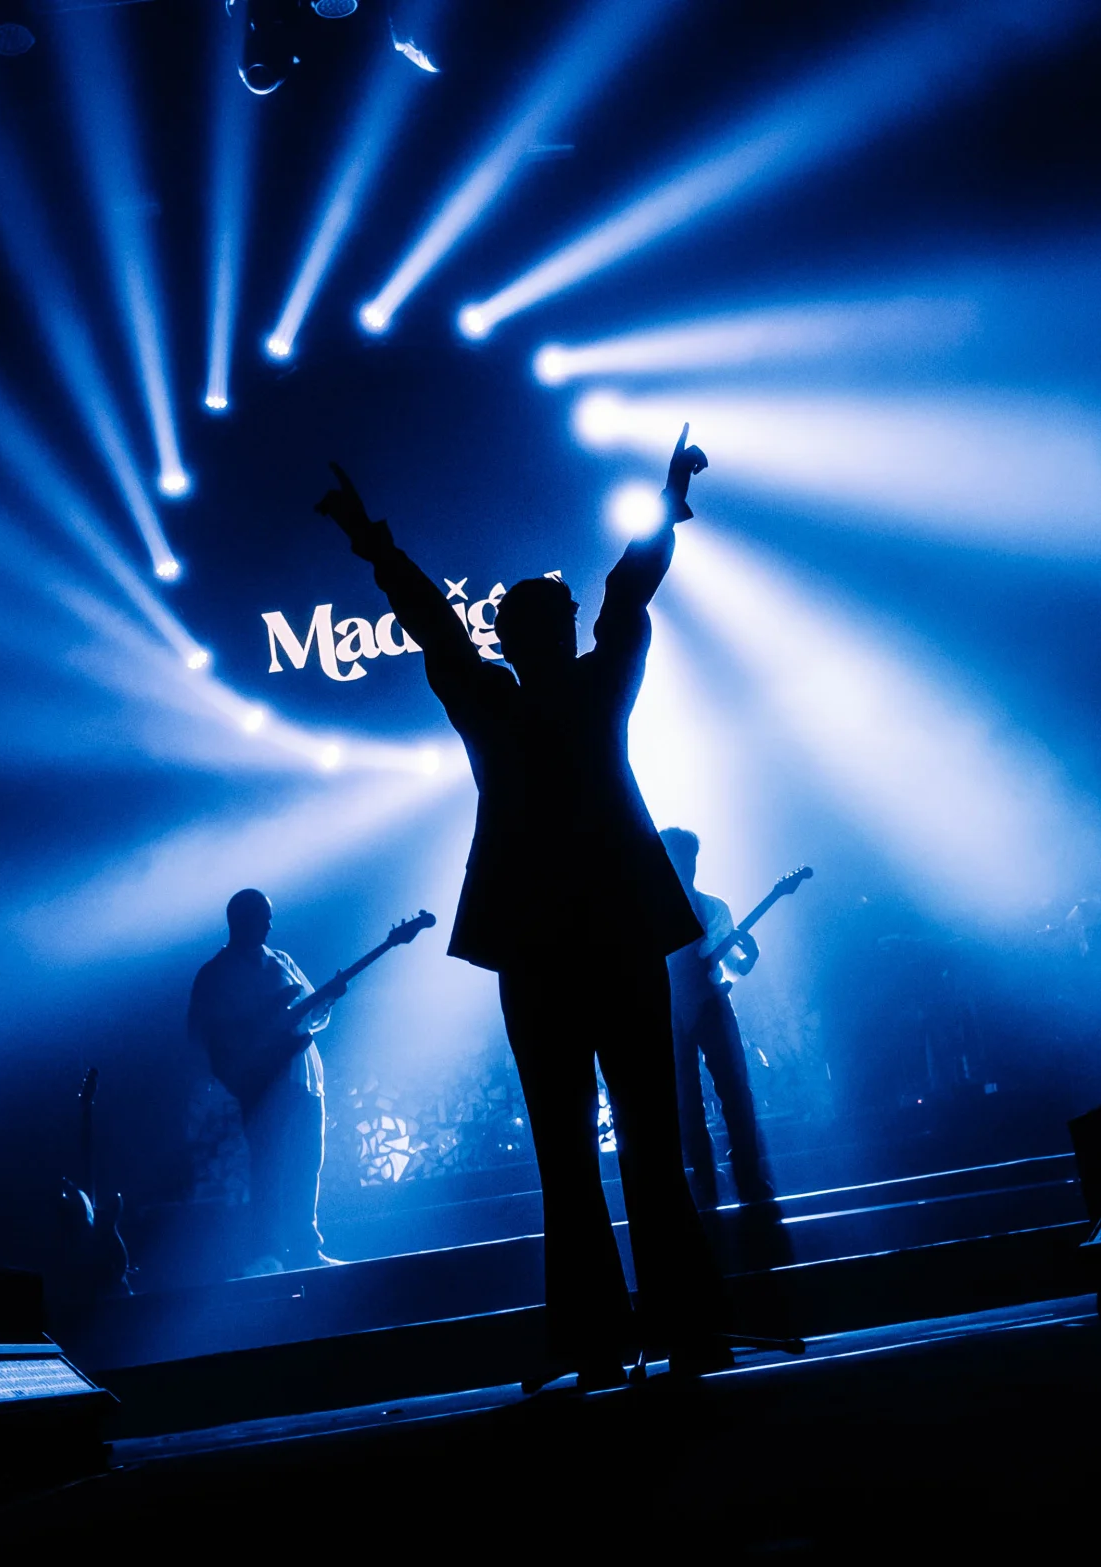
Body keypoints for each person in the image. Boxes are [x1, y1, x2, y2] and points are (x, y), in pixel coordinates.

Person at [314, 433, 728, 1385]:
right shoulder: (594, 688)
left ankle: (597, 1340)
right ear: (560, 630)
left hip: (537, 947)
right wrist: (668, 502)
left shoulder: (493, 705)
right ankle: (685, 1324)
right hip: (619, 931)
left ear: (506, 640)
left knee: (565, 1151)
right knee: (650, 1139)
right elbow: (626, 595)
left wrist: (373, 545)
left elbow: (436, 626)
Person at [186, 888, 336, 1275]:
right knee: (269, 1169)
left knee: (307, 1164)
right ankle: (267, 1256)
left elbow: (310, 1014)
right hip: (263, 1086)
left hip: (304, 1077)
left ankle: (306, 1249)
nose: (270, 924)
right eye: (262, 917)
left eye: (269, 917)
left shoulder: (282, 961)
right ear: (240, 919)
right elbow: (203, 1034)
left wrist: (326, 1000)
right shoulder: (216, 973)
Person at [657, 827, 778, 1215]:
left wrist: (747, 960)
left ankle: (748, 1178)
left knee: (736, 1092)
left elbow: (729, 970)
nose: (686, 867)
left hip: (712, 1008)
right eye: (678, 859)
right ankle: (705, 1184)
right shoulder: (649, 912)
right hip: (669, 1014)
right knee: (686, 1101)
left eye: (690, 860)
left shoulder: (714, 908)